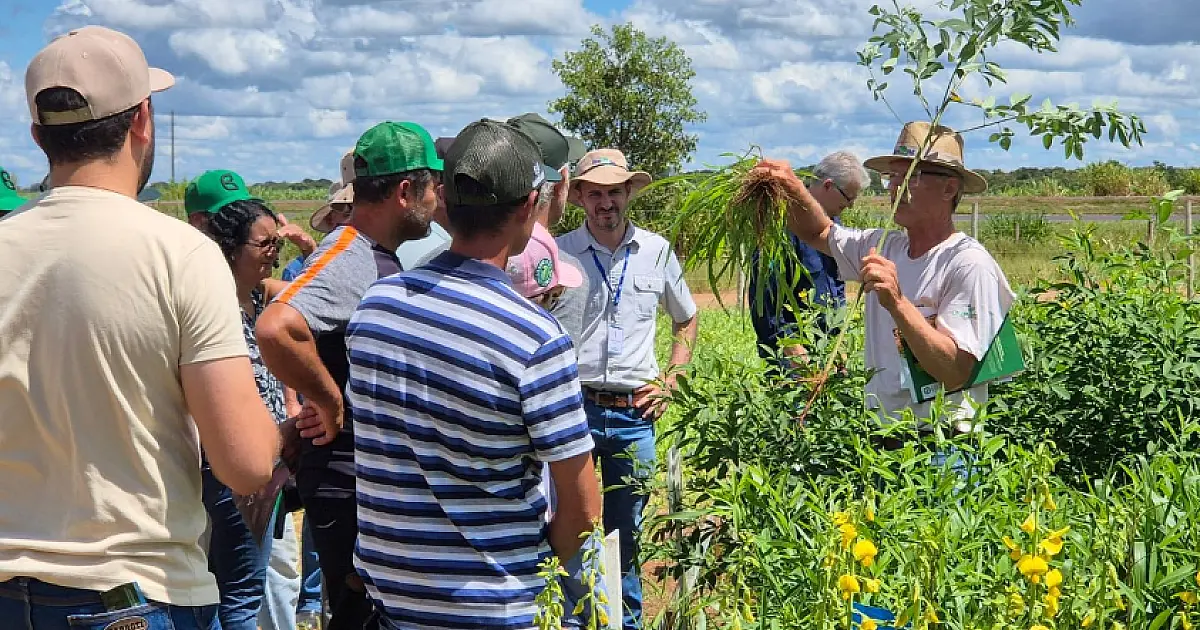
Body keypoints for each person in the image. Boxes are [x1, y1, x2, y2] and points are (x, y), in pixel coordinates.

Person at [0, 25, 279, 629]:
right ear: (142, 121)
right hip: (131, 593)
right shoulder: (181, 254)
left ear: (37, 136)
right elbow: (247, 462)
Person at [346, 118, 601, 630]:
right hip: (492, 604)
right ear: (529, 206)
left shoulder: (374, 308)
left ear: (441, 199)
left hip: (392, 602)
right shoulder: (533, 338)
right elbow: (581, 511)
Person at [256, 121, 442, 630]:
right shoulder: (348, 253)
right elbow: (277, 327)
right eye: (433, 186)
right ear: (406, 192)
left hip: (360, 477)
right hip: (343, 479)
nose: (438, 199)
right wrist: (329, 400)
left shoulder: (376, 256)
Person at [753, 121, 1015, 436]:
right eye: (893, 177)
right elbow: (818, 231)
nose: (895, 188)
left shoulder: (967, 263)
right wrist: (792, 188)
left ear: (949, 189)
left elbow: (957, 372)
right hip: (882, 438)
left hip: (941, 444)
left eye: (911, 177)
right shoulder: (885, 245)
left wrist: (898, 303)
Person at [558, 148, 699, 630]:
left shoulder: (657, 252)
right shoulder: (558, 254)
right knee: (568, 524)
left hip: (633, 413)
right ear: (579, 197)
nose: (605, 204)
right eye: (594, 194)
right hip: (571, 409)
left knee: (628, 530)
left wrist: (672, 379)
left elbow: (687, 318)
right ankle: (574, 619)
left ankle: (626, 620)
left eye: (614, 193)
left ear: (628, 195)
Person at [185, 171, 297, 630]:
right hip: (235, 464)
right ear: (231, 247)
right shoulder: (215, 310)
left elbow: (308, 299)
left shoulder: (257, 297)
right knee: (241, 593)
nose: (275, 253)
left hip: (262, 464)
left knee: (238, 586)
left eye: (278, 245)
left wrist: (304, 248)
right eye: (265, 245)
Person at [748, 151, 867, 369]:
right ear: (828, 185)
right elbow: (764, 296)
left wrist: (837, 340)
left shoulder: (834, 230)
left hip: (825, 347)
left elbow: (836, 288)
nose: (850, 205)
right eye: (848, 197)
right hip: (792, 356)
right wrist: (790, 346)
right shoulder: (782, 225)